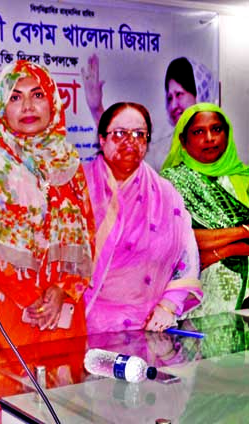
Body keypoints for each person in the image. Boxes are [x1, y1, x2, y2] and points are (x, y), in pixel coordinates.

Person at [0, 60, 95, 353]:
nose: (27, 107)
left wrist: (63, 290)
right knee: (5, 393)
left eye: (37, 95)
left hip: (61, 311)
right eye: (15, 97)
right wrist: (31, 297)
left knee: (62, 396)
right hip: (3, 306)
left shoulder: (69, 165)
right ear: (2, 108)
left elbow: (88, 236)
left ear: (53, 103)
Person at [83, 102, 202, 334]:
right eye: (119, 134)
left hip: (147, 328)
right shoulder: (77, 187)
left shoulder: (165, 195)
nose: (131, 141)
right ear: (102, 139)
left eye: (139, 134)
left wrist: (168, 306)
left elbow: (187, 258)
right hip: (82, 325)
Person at [161, 103, 249, 318]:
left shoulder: (244, 177)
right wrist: (241, 235)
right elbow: (179, 242)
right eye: (199, 132)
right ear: (183, 140)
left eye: (217, 129)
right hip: (200, 301)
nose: (209, 138)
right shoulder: (171, 183)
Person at [82, 55, 217, 170]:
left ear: (199, 95)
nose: (173, 105)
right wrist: (96, 109)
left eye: (179, 94)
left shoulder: (218, 144)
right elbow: (126, 158)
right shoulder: (161, 149)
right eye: (170, 98)